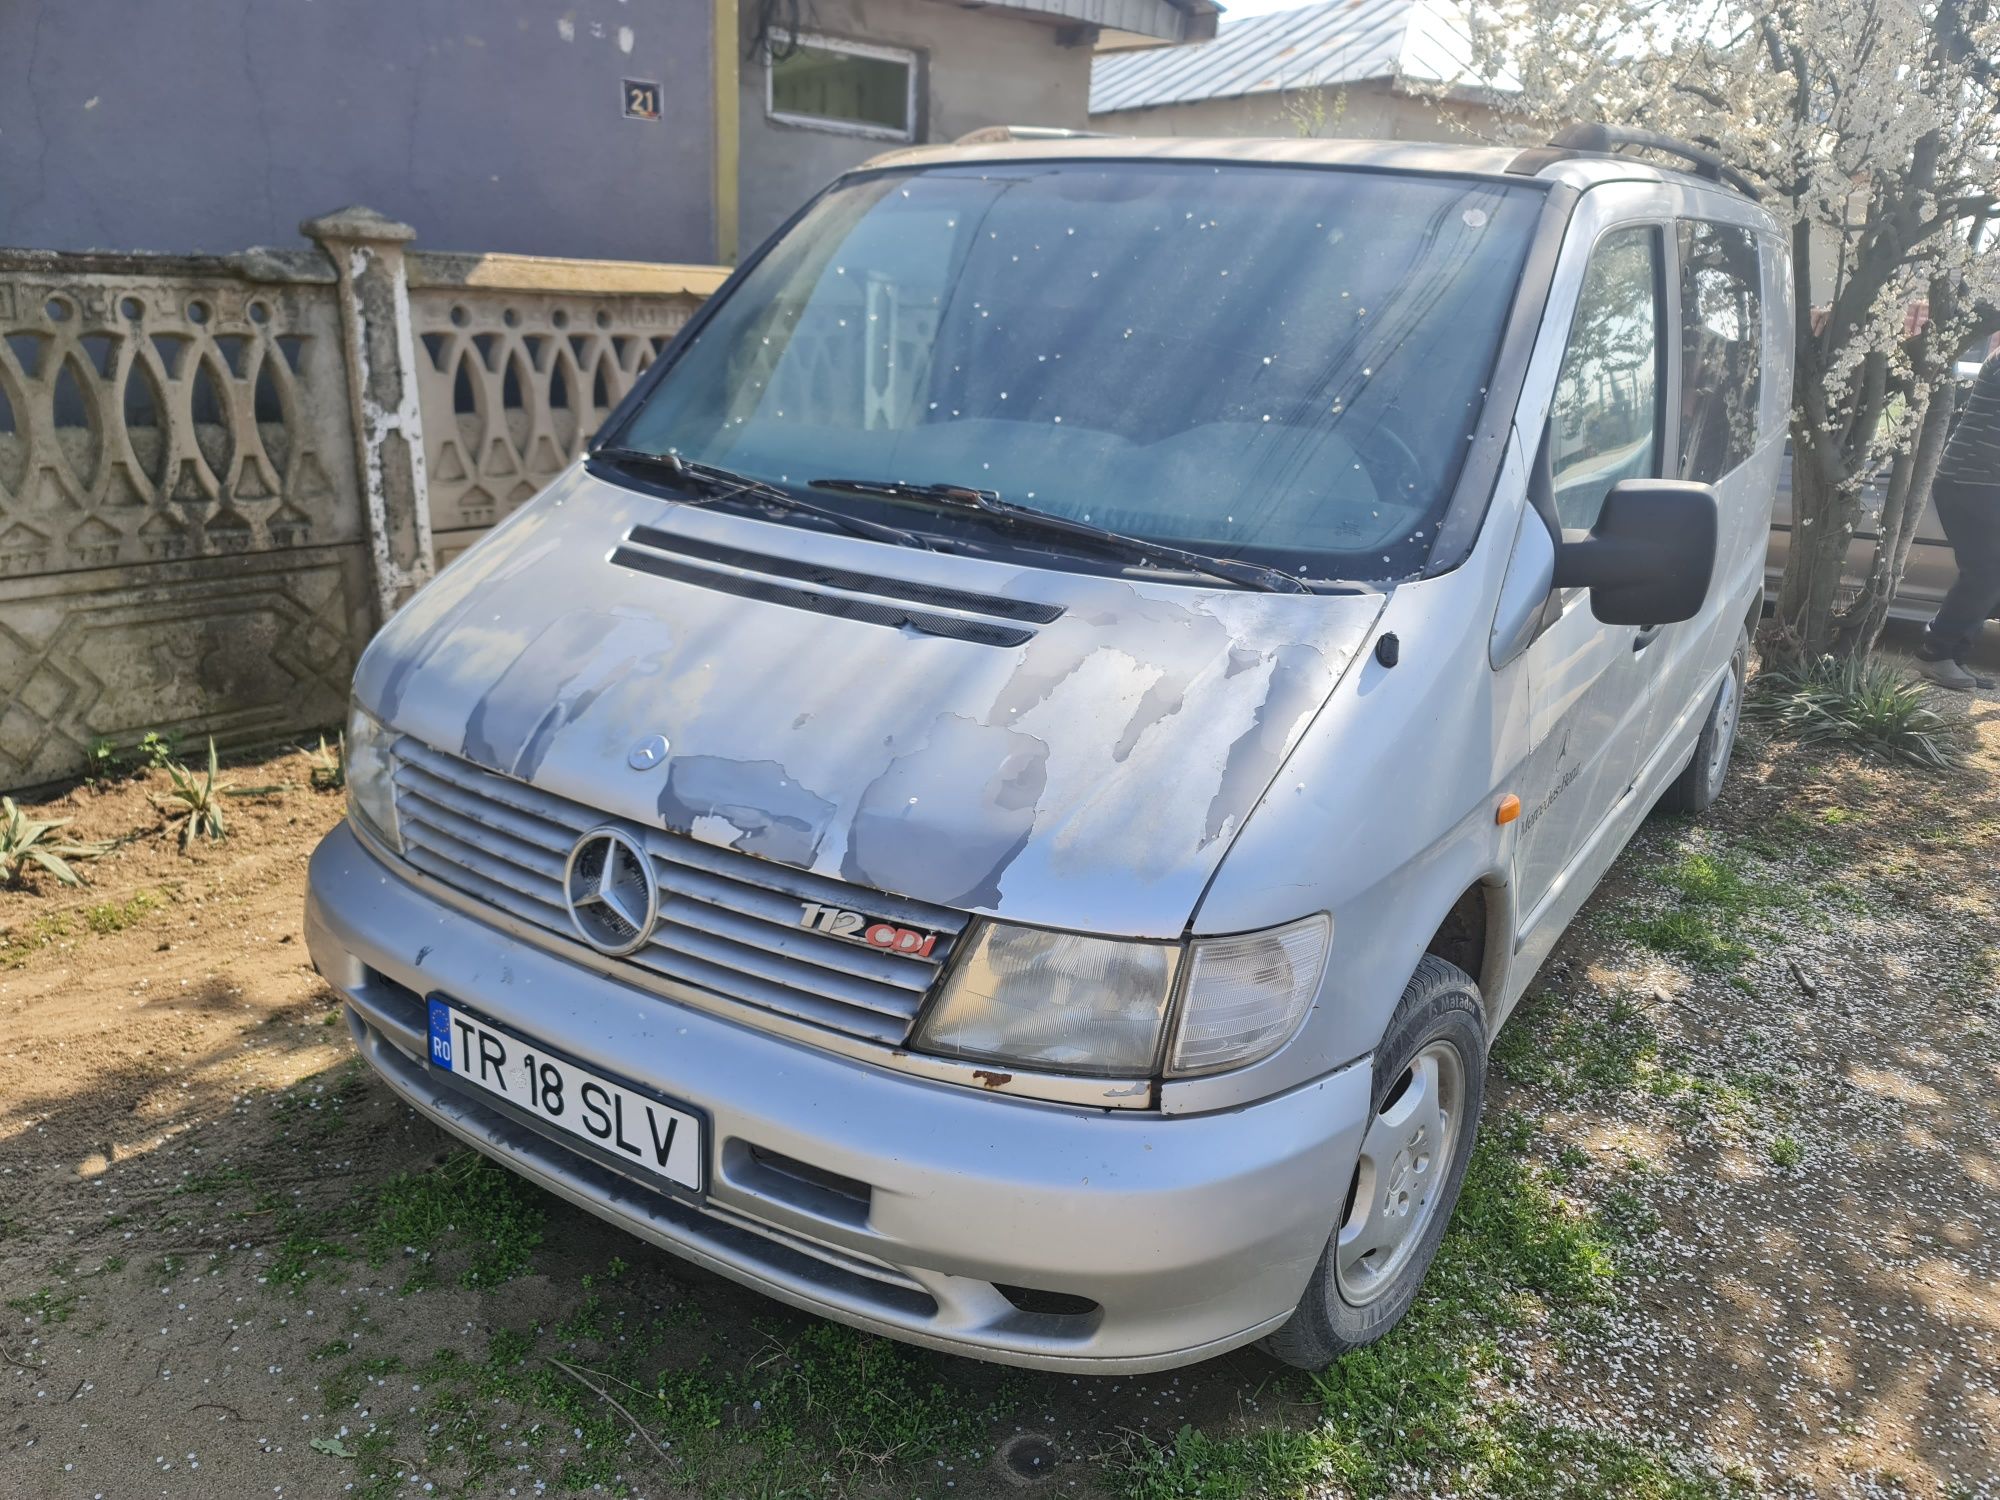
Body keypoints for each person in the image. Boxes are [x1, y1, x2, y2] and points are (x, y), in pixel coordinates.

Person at [1916, 350, 2000, 690]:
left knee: (1990, 573)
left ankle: (1952, 656)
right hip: (1971, 482)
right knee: (1986, 571)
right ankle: (1936, 652)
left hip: (1979, 481)